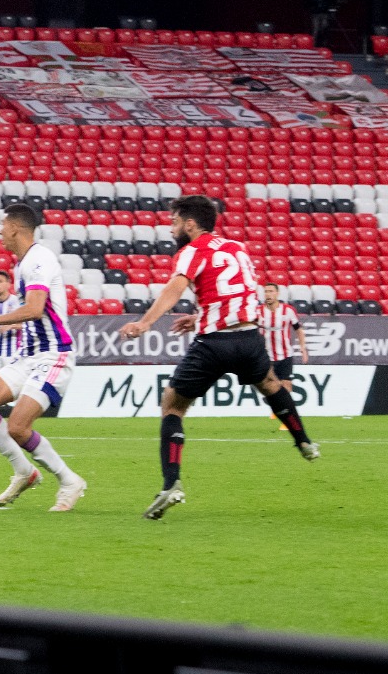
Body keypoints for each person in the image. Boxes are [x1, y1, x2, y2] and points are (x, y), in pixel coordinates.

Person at [121, 196, 319, 521]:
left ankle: (171, 483)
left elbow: (175, 287)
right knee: (270, 384)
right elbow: (233, 291)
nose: (171, 229)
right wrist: (200, 316)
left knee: (172, 405)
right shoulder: (237, 247)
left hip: (214, 343)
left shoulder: (192, 250)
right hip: (249, 338)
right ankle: (304, 442)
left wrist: (145, 323)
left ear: (189, 224)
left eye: (174, 223)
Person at [0, 204, 87, 511]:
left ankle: (69, 480)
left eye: (3, 225)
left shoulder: (38, 260)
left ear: (15, 227)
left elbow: (35, 308)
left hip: (54, 356)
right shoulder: (23, 263)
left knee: (18, 427)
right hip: (29, 356)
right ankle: (25, 471)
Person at [259, 283, 308, 396]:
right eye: (266, 291)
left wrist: (303, 348)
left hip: (285, 355)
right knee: (271, 387)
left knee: (286, 386)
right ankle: (276, 412)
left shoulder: (288, 310)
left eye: (271, 291)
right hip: (267, 357)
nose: (268, 294)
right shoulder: (258, 311)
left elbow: (299, 330)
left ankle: (285, 412)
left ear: (277, 293)